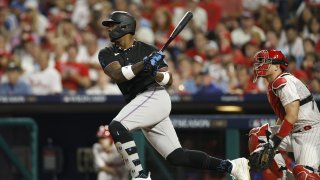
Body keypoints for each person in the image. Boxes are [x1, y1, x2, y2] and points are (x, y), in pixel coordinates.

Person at [98, 11, 250, 180]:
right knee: (177, 157)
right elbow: (118, 74)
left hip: (154, 96)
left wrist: (156, 73)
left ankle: (139, 176)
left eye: (112, 25)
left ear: (125, 27)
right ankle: (233, 166)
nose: (109, 29)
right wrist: (144, 64)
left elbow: (168, 80)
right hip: (140, 103)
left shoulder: (148, 49)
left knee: (117, 126)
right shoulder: (106, 53)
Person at [250, 49, 320, 179]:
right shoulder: (273, 85)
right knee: (258, 135)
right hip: (294, 132)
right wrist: (271, 142)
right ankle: (285, 176)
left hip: (309, 133)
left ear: (277, 66)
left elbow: (292, 115)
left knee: (304, 175)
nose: (260, 66)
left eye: (265, 62)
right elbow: (284, 117)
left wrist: (275, 142)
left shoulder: (284, 82)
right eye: (260, 62)